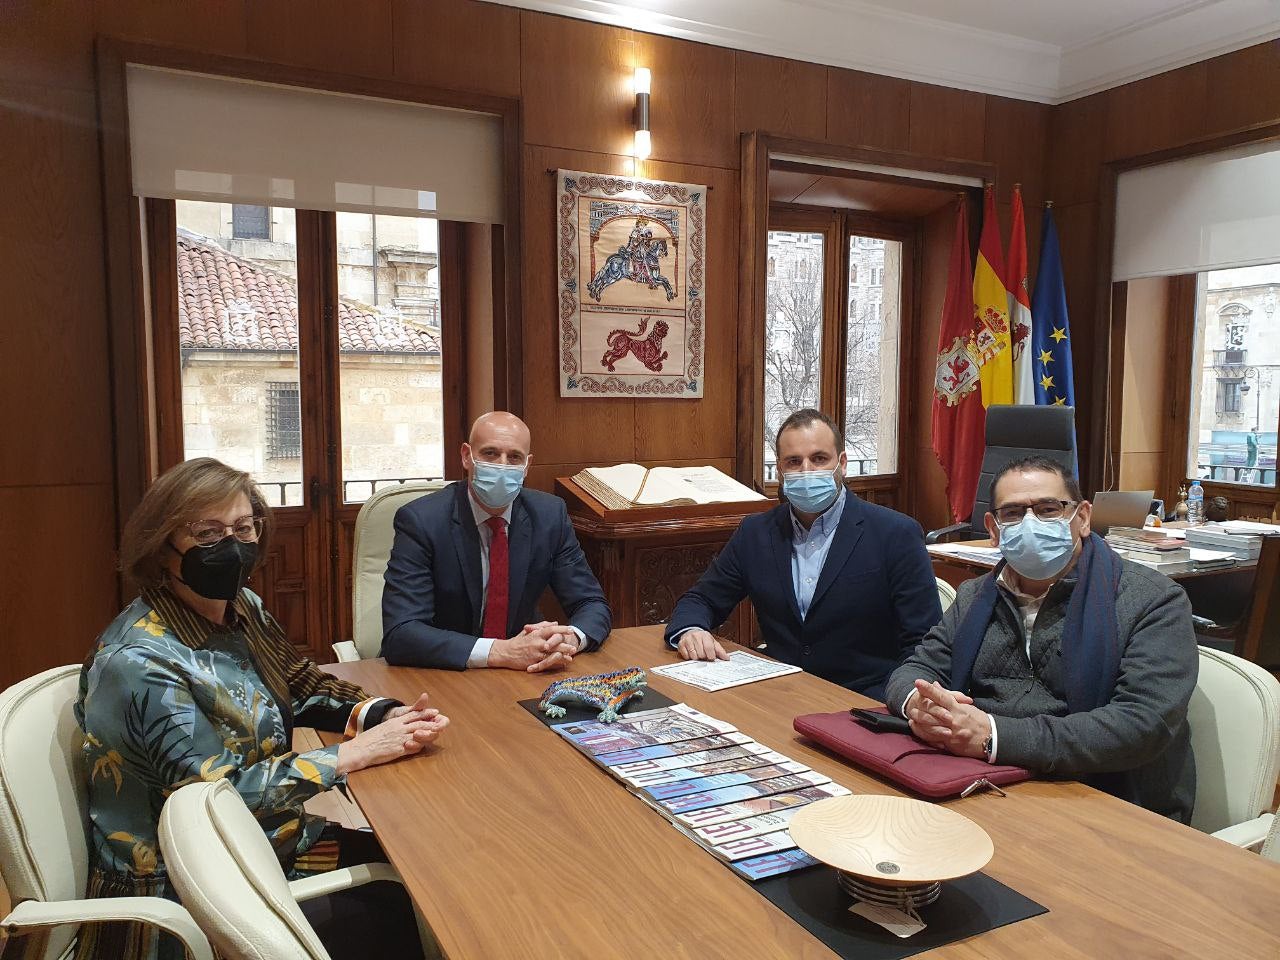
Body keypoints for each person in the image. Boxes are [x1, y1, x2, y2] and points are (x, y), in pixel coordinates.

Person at [76, 458, 446, 960]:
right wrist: (350, 755)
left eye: (243, 528)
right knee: (412, 909)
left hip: (270, 842)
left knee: (420, 861)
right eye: (208, 533)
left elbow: (298, 684)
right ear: (162, 548)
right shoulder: (139, 663)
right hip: (188, 890)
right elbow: (216, 801)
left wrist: (382, 715)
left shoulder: (241, 607)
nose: (231, 546)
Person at [884, 455, 1197, 822]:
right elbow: (914, 670)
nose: (1031, 523)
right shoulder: (976, 595)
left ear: (1082, 518)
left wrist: (992, 736)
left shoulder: (1152, 601)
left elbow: (1142, 724)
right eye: (1013, 513)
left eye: (1049, 509)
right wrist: (920, 706)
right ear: (994, 528)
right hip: (986, 788)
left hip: (1107, 801)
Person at [664, 409, 942, 700]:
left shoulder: (895, 534)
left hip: (865, 701)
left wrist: (904, 701)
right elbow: (701, 599)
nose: (807, 471)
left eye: (819, 459)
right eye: (794, 462)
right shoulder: (756, 532)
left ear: (842, 464)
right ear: (780, 471)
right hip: (780, 695)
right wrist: (692, 630)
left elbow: (925, 643)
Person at [382, 411, 611, 671]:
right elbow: (402, 633)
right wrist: (501, 651)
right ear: (467, 456)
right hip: (441, 671)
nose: (502, 466)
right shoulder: (422, 521)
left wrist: (568, 639)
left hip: (522, 672)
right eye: (490, 453)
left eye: (514, 457)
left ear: (527, 465)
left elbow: (591, 603)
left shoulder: (549, 516)